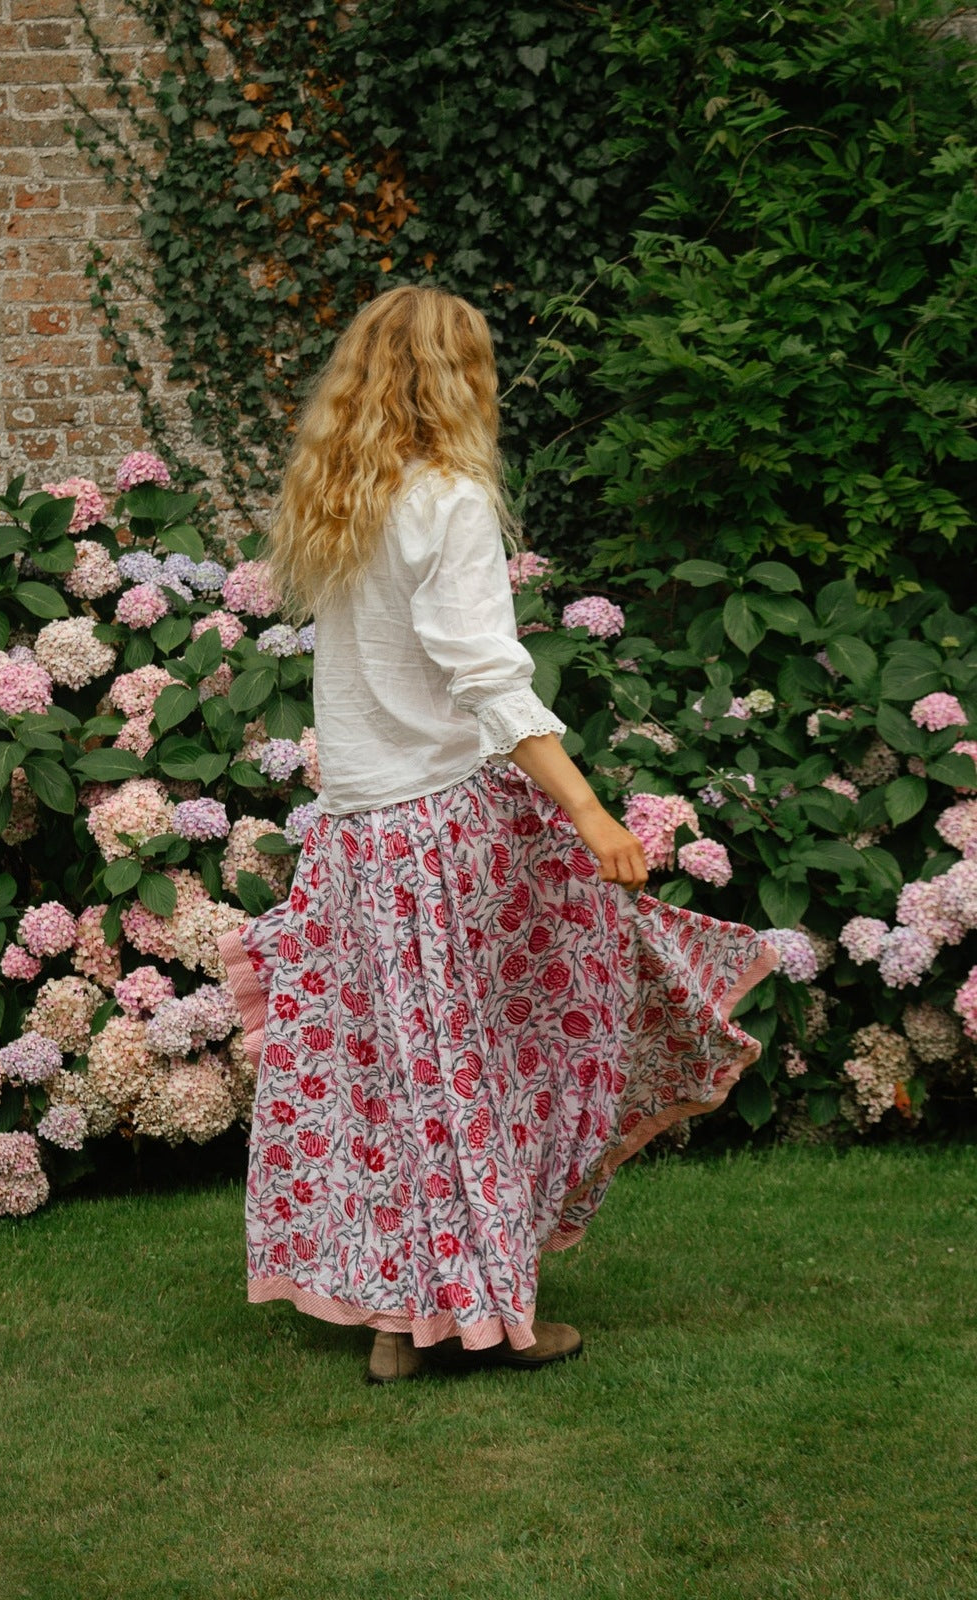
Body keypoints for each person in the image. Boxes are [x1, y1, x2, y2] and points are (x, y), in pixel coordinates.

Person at [218, 284, 777, 1384]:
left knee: (391, 1076)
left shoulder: (340, 496)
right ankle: (473, 1312)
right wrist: (587, 810)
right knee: (476, 1062)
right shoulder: (444, 501)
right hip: (436, 829)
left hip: (353, 838)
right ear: (451, 378)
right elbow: (484, 675)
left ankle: (398, 1314)